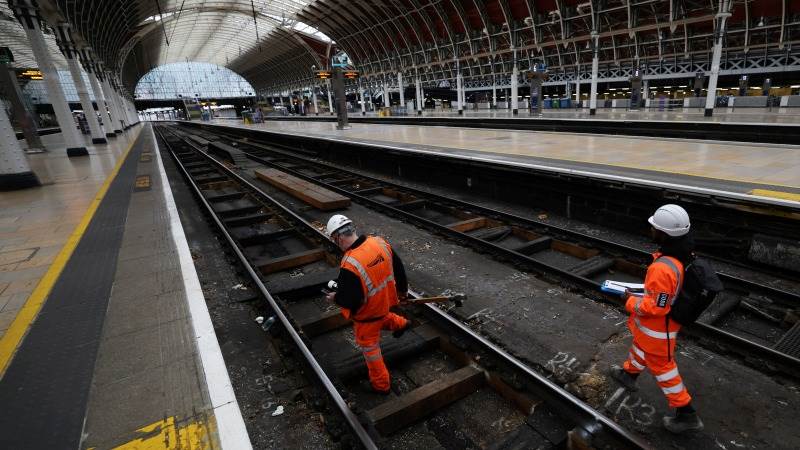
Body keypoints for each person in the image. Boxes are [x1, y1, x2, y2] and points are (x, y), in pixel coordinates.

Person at [610, 204, 703, 433]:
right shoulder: (680, 255)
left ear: (663, 234)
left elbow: (658, 307)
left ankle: (687, 414)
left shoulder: (663, 268)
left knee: (664, 369)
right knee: (640, 345)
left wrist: (628, 300)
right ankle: (628, 374)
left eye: (654, 227)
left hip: (659, 330)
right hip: (652, 330)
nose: (650, 229)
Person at [325, 214, 410, 394]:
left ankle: (382, 385)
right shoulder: (378, 242)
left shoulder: (350, 264)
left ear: (339, 237)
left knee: (371, 350)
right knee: (383, 317)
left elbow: (352, 300)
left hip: (367, 316)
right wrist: (402, 291)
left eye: (334, 239)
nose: (336, 243)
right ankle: (402, 324)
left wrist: (335, 298)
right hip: (384, 302)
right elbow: (399, 267)